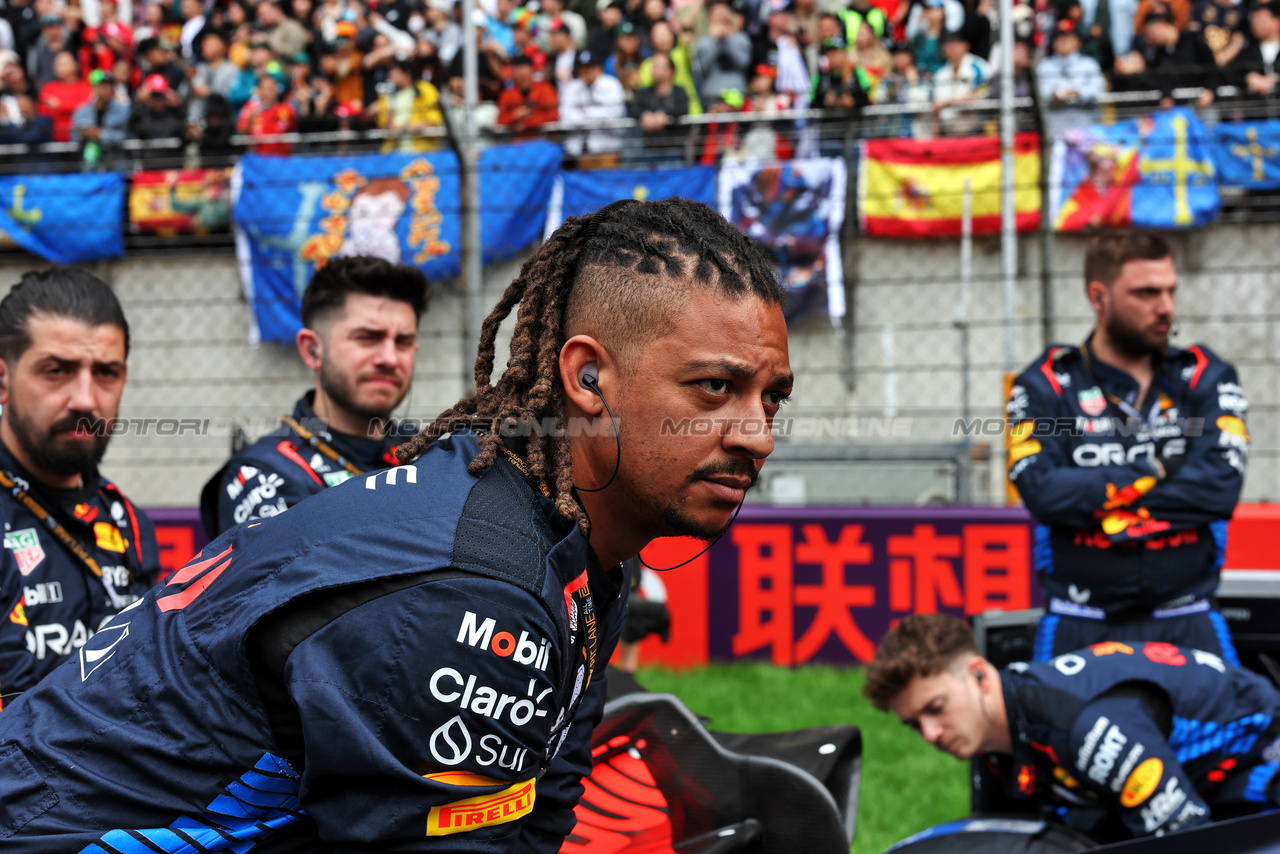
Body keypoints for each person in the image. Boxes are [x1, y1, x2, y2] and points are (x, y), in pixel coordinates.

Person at [0, 197, 792, 853]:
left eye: (771, 399)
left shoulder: (573, 544)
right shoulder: (482, 580)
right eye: (715, 388)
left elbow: (538, 814)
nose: (756, 433)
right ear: (587, 376)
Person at [1006, 232, 1247, 664]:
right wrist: (1155, 469)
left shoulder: (1205, 377)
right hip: (1078, 621)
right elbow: (1044, 493)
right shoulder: (1044, 384)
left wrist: (1104, 508)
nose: (1166, 307)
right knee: (1053, 731)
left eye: (1170, 290)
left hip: (1188, 618)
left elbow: (1218, 488)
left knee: (1245, 728)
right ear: (1098, 297)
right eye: (1146, 293)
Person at [865, 614, 1280, 841]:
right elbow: (1002, 840)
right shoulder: (991, 734)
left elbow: (1187, 841)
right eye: (915, 725)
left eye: (936, 709)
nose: (932, 734)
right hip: (1159, 785)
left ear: (980, 675)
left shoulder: (1085, 730)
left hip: (1259, 758)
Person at [0, 270, 160, 705]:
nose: (86, 400)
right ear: (3, 379)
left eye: (106, 372)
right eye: (57, 371)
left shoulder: (126, 521)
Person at [201, 256, 428, 537]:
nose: (390, 358)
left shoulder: (426, 454)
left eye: (403, 342)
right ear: (312, 350)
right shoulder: (265, 473)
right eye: (367, 338)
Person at [1037, 18, 1106, 134]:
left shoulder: (1089, 64)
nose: (1063, 41)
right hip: (1054, 131)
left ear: (1078, 41)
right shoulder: (1044, 66)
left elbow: (1098, 90)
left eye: (1068, 37)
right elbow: (1039, 92)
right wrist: (1053, 94)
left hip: (1086, 128)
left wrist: (1077, 93)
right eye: (1059, 38)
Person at [70, 68, 130, 169]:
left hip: (115, 165)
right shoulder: (81, 112)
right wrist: (83, 135)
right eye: (101, 85)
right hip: (89, 166)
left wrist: (100, 134)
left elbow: (125, 136)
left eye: (108, 85)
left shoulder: (123, 110)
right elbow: (73, 137)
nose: (104, 89)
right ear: (93, 87)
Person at [497, 53, 559, 139]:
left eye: (521, 67)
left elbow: (554, 115)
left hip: (543, 142)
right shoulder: (507, 93)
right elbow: (500, 121)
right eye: (515, 68)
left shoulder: (545, 89)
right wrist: (516, 115)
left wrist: (526, 123)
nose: (518, 71)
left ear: (531, 69)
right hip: (517, 144)